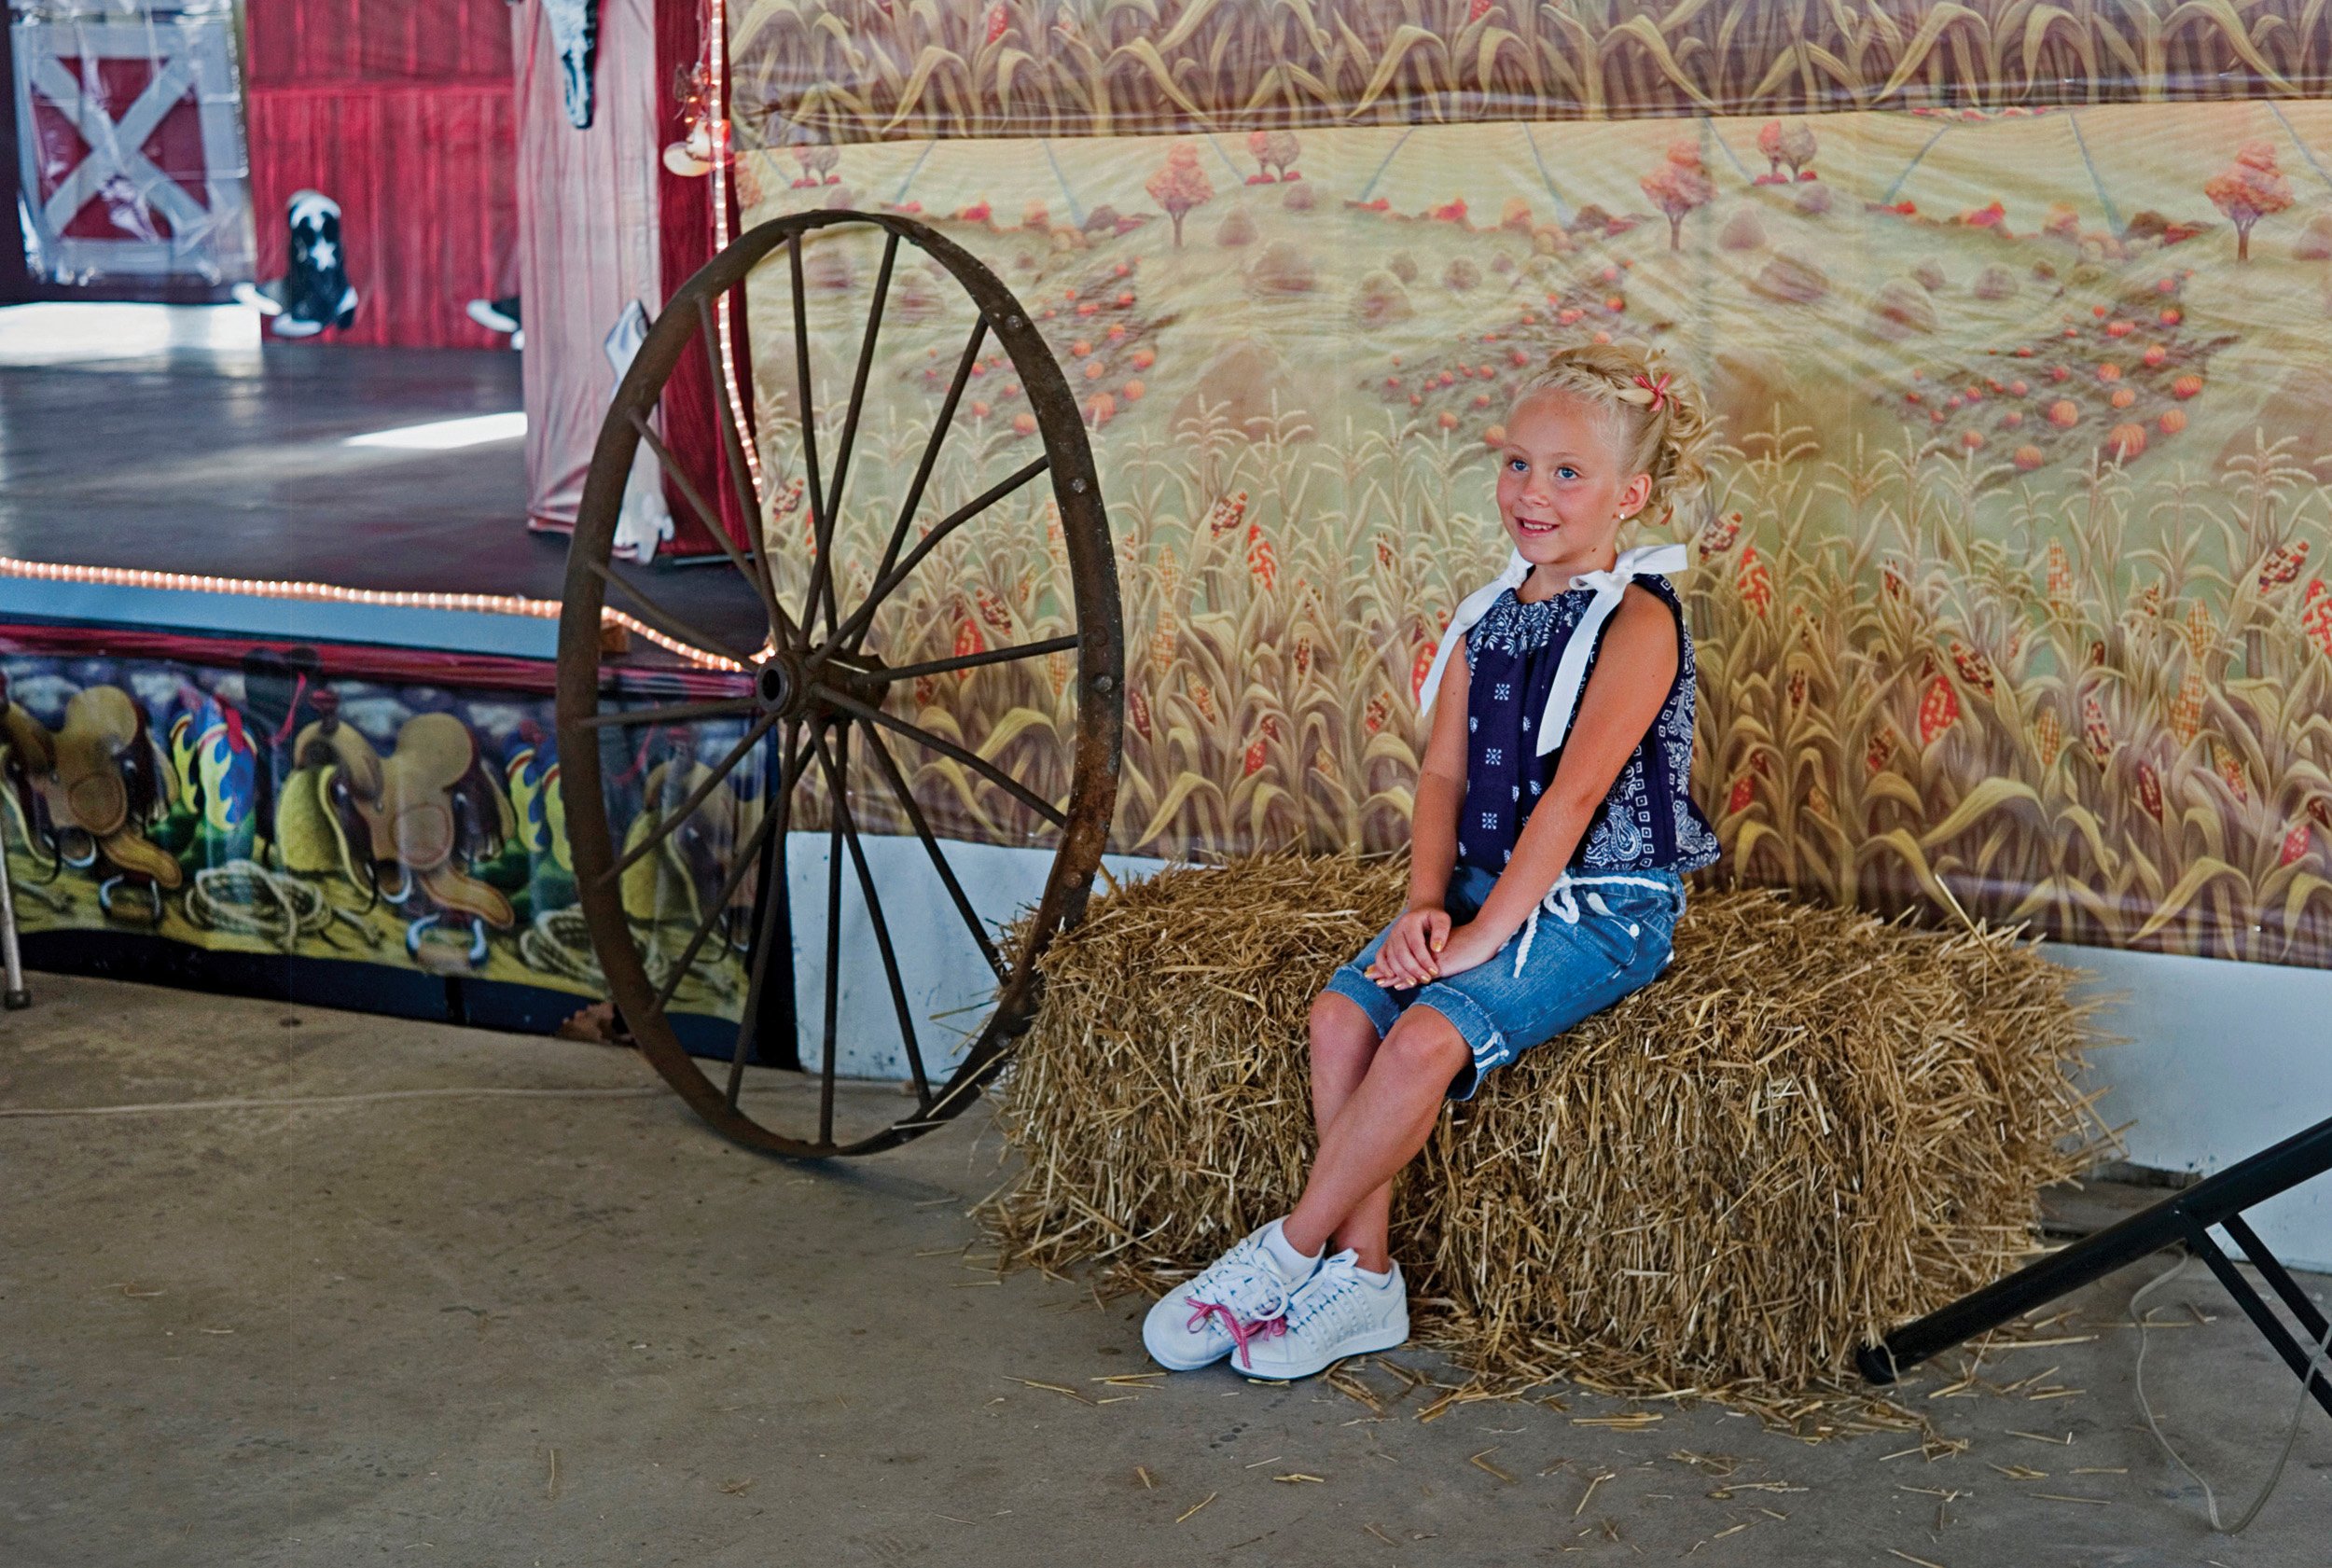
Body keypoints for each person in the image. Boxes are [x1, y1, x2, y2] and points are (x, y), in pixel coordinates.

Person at [1143, 341, 1724, 1379]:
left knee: (1419, 1041)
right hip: (1473, 887)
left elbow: (1578, 795)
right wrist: (1425, 906)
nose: (1530, 493)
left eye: (1565, 472)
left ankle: (1286, 1249)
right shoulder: (1486, 619)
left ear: (1629, 494)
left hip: (1597, 904)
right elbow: (1444, 780)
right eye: (1515, 463)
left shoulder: (1637, 623)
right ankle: (1365, 1276)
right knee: (1338, 1018)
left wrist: (1482, 938)